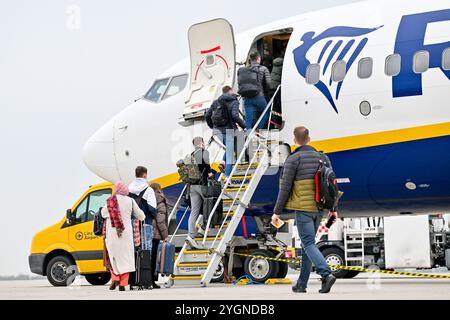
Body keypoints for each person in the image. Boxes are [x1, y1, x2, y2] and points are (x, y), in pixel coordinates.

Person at [271, 126, 337, 294]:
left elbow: (284, 189)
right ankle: (301, 284)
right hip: (319, 209)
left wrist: (276, 213)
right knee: (310, 244)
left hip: (303, 209)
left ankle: (326, 273)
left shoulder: (293, 159)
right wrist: (333, 209)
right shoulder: (323, 157)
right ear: (309, 139)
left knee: (308, 243)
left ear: (294, 141)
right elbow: (332, 186)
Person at [101, 181, 145, 291]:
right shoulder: (130, 201)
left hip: (112, 232)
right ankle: (123, 283)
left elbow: (103, 213)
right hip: (126, 233)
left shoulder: (110, 201)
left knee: (113, 256)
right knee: (126, 257)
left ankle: (115, 277)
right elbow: (141, 215)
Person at [205, 85, 246, 177]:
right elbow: (235, 116)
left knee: (232, 147)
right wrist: (244, 126)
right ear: (231, 91)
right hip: (229, 130)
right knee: (230, 152)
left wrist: (212, 126)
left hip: (217, 130)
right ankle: (227, 176)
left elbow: (207, 115)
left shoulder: (216, 102)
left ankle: (222, 163)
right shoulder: (234, 101)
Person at [187, 137, 215, 248]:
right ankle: (203, 228)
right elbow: (208, 170)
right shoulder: (204, 152)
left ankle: (191, 235)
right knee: (210, 205)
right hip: (202, 185)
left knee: (194, 211)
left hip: (192, 186)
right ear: (202, 143)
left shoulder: (191, 155)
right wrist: (212, 172)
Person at [238, 51, 272, 130]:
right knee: (266, 112)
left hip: (246, 97)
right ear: (258, 59)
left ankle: (248, 132)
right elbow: (268, 83)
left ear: (250, 59)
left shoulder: (244, 70)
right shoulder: (263, 68)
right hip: (259, 96)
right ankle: (258, 128)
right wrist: (267, 92)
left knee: (248, 119)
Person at [149, 182, 169, 289]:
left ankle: (149, 280)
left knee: (149, 257)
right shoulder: (160, 201)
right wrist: (165, 235)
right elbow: (161, 221)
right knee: (153, 258)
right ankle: (152, 281)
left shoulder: (149, 200)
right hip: (156, 234)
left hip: (148, 232)